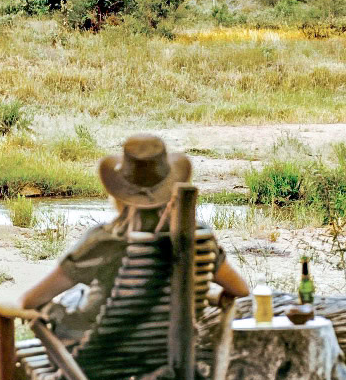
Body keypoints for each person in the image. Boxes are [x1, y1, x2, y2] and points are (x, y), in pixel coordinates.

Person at [19, 133, 250, 338]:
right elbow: (240, 290)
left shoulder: (106, 241)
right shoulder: (200, 238)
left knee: (74, 297)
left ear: (119, 193)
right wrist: (194, 295)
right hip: (170, 350)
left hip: (101, 353)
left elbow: (31, 301)